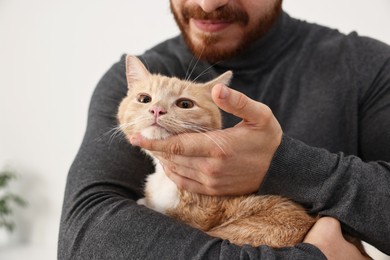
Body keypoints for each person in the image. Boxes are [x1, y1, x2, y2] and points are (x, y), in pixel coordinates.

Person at [58, 0, 390, 259]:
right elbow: (84, 240)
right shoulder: (132, 82)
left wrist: (283, 164)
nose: (206, 4)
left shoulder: (368, 66)